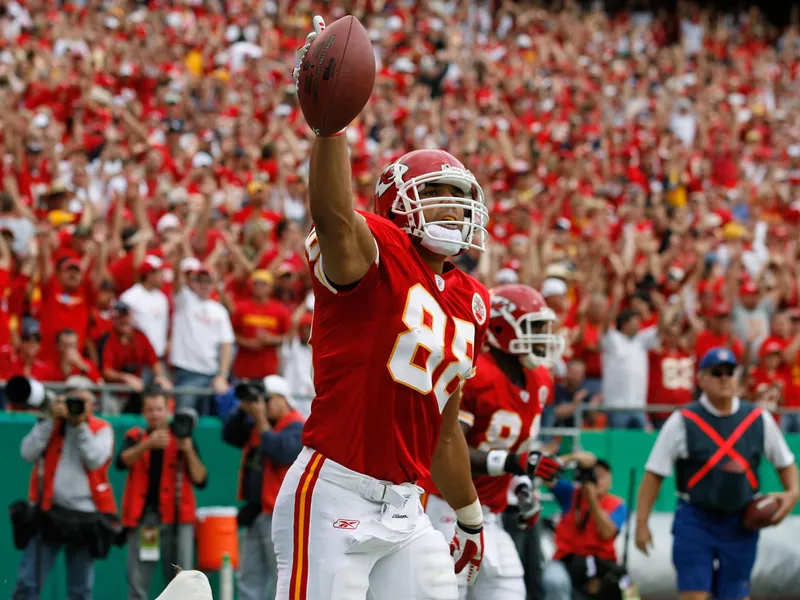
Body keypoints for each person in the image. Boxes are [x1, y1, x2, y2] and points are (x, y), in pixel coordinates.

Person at [271, 16, 492, 600]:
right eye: (439, 194)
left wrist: (469, 516)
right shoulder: (377, 249)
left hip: (409, 506)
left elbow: (443, 434)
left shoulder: (471, 300)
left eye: (462, 197)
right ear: (399, 202)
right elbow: (335, 222)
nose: (455, 208)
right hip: (335, 491)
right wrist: (330, 127)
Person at [421, 284, 565, 600]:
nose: (542, 337)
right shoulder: (476, 375)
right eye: (534, 327)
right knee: (445, 590)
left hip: (494, 512)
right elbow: (447, 446)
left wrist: (522, 487)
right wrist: (514, 463)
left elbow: (517, 449)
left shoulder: (539, 380)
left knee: (509, 588)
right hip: (446, 504)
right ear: (502, 327)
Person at [635, 347, 799, 600]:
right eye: (716, 372)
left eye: (729, 372)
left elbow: (786, 463)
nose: (724, 378)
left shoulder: (758, 418)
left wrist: (792, 494)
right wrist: (642, 524)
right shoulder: (682, 420)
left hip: (741, 521)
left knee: (735, 595)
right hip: (695, 519)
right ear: (701, 379)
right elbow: (654, 474)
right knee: (694, 595)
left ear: (737, 377)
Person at [11, 376, 117, 600]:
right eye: (72, 400)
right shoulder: (51, 422)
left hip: (85, 517)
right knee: (28, 582)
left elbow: (95, 459)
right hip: (49, 510)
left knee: (80, 590)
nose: (76, 406)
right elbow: (26, 453)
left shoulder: (102, 428)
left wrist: (80, 426)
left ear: (93, 404)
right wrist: (49, 420)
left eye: (83, 401)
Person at [116, 389, 208, 600]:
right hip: (147, 519)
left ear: (168, 409)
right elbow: (122, 462)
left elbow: (201, 479)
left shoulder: (183, 436)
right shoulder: (135, 436)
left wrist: (187, 449)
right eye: (150, 410)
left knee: (183, 578)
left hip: (177, 519)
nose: (155, 414)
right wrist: (148, 444)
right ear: (143, 412)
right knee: (138, 578)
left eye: (159, 409)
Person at [222, 375, 304, 600]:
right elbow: (229, 435)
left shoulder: (298, 426)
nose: (262, 406)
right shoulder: (257, 423)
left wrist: (259, 419)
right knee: (249, 579)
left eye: (265, 400)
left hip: (281, 515)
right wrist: (242, 409)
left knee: (282, 579)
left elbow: (280, 452)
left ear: (282, 399)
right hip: (256, 513)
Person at [542, 452, 629, 600]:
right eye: (594, 476)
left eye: (602, 476)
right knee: (553, 581)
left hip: (603, 563)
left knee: (629, 588)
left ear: (610, 480)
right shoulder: (571, 494)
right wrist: (571, 457)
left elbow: (607, 532)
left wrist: (592, 500)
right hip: (568, 560)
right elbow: (545, 474)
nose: (598, 481)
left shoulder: (618, 505)